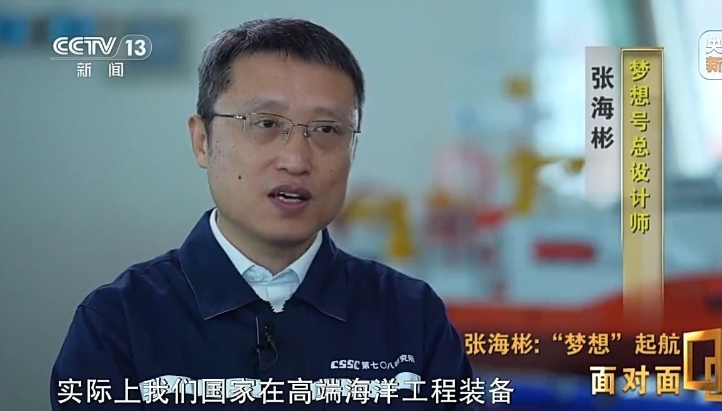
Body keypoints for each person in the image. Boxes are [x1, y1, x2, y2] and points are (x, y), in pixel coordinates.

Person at [51, 18, 476, 410]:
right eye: (266, 123)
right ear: (202, 141)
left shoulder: (412, 316)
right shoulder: (119, 322)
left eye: (326, 130)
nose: (296, 160)